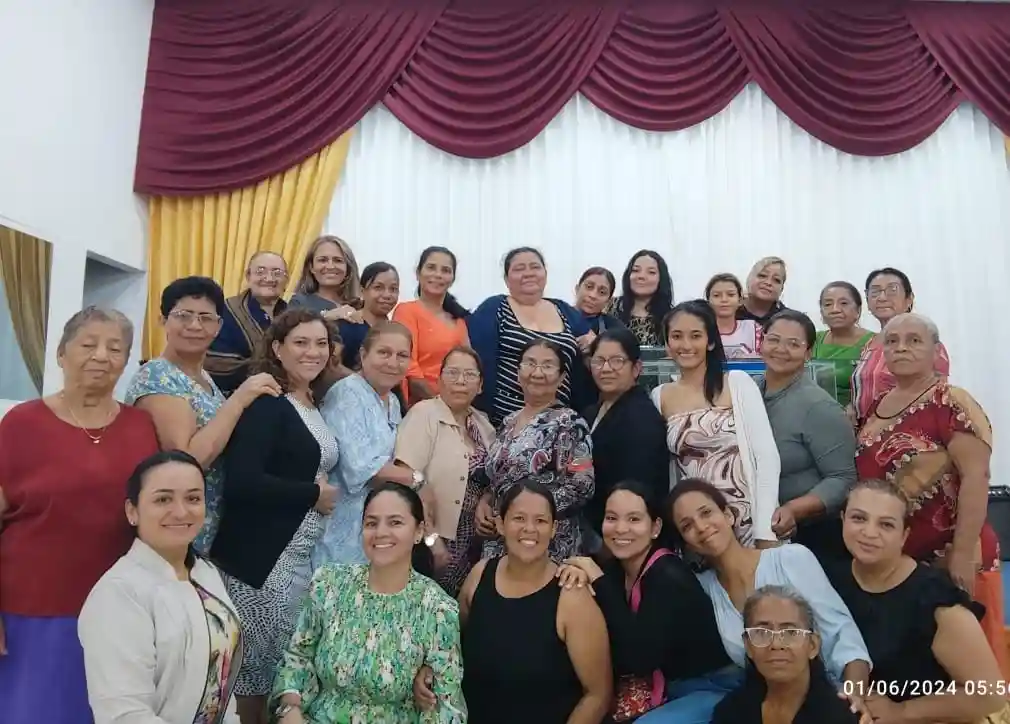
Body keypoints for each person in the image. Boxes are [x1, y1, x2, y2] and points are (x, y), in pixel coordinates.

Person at [0, 307, 159, 724]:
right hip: (33, 610)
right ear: (61, 353)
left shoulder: (142, 426)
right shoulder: (21, 423)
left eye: (115, 348)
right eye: (88, 345)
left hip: (118, 610)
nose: (102, 356)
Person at [854, 313, 1007, 672]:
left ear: (935, 350)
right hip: (903, 561)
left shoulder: (950, 400)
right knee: (926, 666)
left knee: (976, 668)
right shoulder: (876, 408)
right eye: (892, 341)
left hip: (955, 554)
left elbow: (976, 475)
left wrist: (964, 550)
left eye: (914, 340)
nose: (901, 348)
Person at [211, 309, 341, 724]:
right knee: (254, 681)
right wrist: (312, 494)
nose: (312, 352)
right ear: (277, 348)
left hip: (297, 559)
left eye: (321, 343)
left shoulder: (311, 402)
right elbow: (243, 482)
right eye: (301, 342)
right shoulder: (269, 402)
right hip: (263, 562)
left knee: (281, 674)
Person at [271, 482, 466, 723]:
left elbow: (445, 708)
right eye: (371, 523)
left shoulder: (436, 609)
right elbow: (298, 657)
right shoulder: (329, 584)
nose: (381, 532)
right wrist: (290, 709)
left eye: (395, 522)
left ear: (418, 531)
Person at [668, 479, 871, 701]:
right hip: (762, 702)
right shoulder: (702, 588)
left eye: (706, 513)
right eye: (687, 525)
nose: (701, 526)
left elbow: (843, 633)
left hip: (824, 695)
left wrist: (855, 696)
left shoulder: (790, 558)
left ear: (728, 515)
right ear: (685, 544)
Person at [78, 450, 242, 724]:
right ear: (132, 511)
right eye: (163, 499)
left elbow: (221, 682)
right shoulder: (119, 594)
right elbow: (124, 715)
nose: (180, 511)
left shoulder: (206, 574)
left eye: (193, 498)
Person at [827, 479, 1010, 723]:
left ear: (904, 536)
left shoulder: (935, 600)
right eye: (858, 518)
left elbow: (990, 695)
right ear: (843, 519)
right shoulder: (829, 580)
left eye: (886, 524)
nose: (869, 533)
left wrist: (902, 713)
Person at [126, 276, 281, 553]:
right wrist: (240, 399)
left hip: (208, 528)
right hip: (175, 527)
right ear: (163, 321)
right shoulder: (158, 376)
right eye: (183, 316)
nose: (195, 326)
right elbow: (189, 459)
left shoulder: (205, 379)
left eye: (206, 317)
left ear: (219, 326)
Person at [560, 482, 735, 723]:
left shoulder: (668, 576)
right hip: (665, 686)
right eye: (612, 518)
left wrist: (597, 580)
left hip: (711, 685)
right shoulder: (616, 570)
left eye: (634, 519)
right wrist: (581, 573)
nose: (621, 529)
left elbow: (639, 658)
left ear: (655, 527)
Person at [458, 480, 612, 724]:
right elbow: (449, 646)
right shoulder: (479, 576)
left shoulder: (571, 596)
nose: (530, 528)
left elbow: (598, 695)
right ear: (500, 524)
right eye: (519, 518)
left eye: (540, 521)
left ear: (553, 528)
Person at [651, 300, 780, 547]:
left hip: (748, 522)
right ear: (667, 344)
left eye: (695, 336)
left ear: (710, 342)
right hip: (697, 528)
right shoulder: (660, 396)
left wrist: (765, 531)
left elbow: (767, 458)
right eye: (676, 336)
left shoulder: (737, 383)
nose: (686, 345)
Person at [314, 321, 419, 566]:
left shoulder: (392, 400)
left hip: (378, 529)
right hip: (343, 529)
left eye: (402, 355)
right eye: (384, 353)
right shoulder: (347, 394)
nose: (393, 363)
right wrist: (418, 481)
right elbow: (364, 468)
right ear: (363, 354)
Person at [482, 339, 595, 562]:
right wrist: (486, 502)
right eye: (530, 363)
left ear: (562, 377)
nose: (537, 372)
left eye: (547, 365)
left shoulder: (570, 422)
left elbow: (582, 486)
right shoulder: (508, 422)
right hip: (500, 541)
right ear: (518, 372)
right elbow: (497, 477)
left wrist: (523, 511)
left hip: (546, 544)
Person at [394, 346, 495, 595]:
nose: (461, 381)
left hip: (476, 544)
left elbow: (493, 476)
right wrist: (431, 539)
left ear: (480, 385)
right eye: (452, 373)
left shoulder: (484, 424)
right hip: (435, 544)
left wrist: (487, 498)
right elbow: (406, 481)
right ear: (439, 379)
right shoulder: (424, 414)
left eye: (470, 375)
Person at [758, 311, 856, 561]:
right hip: (757, 530)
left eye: (794, 344)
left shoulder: (819, 407)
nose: (781, 349)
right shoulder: (748, 392)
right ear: (761, 342)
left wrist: (794, 509)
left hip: (810, 536)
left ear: (809, 352)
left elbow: (842, 478)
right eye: (774, 340)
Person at [467, 247, 594, 426]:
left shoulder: (565, 311)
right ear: (506, 279)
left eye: (535, 267)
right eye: (519, 269)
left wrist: (592, 345)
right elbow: (476, 361)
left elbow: (592, 345)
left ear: (545, 273)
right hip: (504, 423)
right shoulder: (494, 308)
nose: (528, 273)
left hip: (558, 423)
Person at [711, 587, 860, 724]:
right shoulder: (730, 711)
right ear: (748, 645)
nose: (776, 644)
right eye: (762, 632)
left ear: (813, 645)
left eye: (790, 633)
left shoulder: (840, 716)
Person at [582, 328, 668, 550]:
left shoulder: (641, 416)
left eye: (617, 361)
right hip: (596, 530)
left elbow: (640, 485)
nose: (606, 368)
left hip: (624, 538)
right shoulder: (592, 412)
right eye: (599, 361)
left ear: (636, 368)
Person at [850, 267, 949, 421]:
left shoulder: (926, 342)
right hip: (866, 433)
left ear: (909, 299)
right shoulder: (870, 343)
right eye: (875, 292)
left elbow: (938, 397)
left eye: (892, 290)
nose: (882, 298)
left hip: (907, 432)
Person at [393, 247, 469, 407]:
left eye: (446, 270)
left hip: (456, 404)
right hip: (419, 407)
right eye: (431, 267)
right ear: (418, 273)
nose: (438, 275)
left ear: (452, 279)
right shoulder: (406, 311)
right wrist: (440, 407)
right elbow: (409, 367)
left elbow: (468, 366)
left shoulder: (458, 320)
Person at [205, 251, 289, 394]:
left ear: (286, 279)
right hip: (233, 397)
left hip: (287, 393)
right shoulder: (226, 311)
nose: (269, 278)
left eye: (277, 273)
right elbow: (216, 363)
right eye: (260, 271)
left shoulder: (290, 313)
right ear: (248, 276)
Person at [811, 281, 873, 408]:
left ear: (858, 310)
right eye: (828, 304)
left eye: (844, 303)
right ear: (822, 312)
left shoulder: (874, 342)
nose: (835, 310)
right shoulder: (813, 339)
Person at [333, 261, 400, 374]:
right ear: (362, 291)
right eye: (378, 287)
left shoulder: (395, 331)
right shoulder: (346, 325)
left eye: (393, 289)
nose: (387, 295)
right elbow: (333, 365)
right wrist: (364, 384)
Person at [606, 250, 674, 347]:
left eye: (651, 272)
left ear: (661, 279)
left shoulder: (671, 316)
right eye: (636, 270)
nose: (641, 276)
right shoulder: (609, 306)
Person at [288, 235, 362, 322]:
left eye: (338, 260)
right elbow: (290, 333)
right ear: (311, 267)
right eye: (322, 260)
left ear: (348, 268)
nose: (330, 266)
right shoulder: (299, 303)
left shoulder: (361, 305)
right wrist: (326, 317)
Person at [706, 273, 760, 359]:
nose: (724, 300)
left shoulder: (753, 329)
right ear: (708, 302)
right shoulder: (701, 332)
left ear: (740, 300)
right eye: (716, 295)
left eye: (731, 295)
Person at [737, 257, 788, 325]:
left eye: (776, 280)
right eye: (762, 275)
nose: (768, 282)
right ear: (749, 279)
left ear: (782, 289)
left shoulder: (789, 320)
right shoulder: (729, 312)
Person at [573, 266, 623, 335]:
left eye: (602, 292)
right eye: (589, 287)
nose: (593, 295)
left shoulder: (615, 328)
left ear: (609, 301)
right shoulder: (559, 315)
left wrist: (598, 342)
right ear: (577, 289)